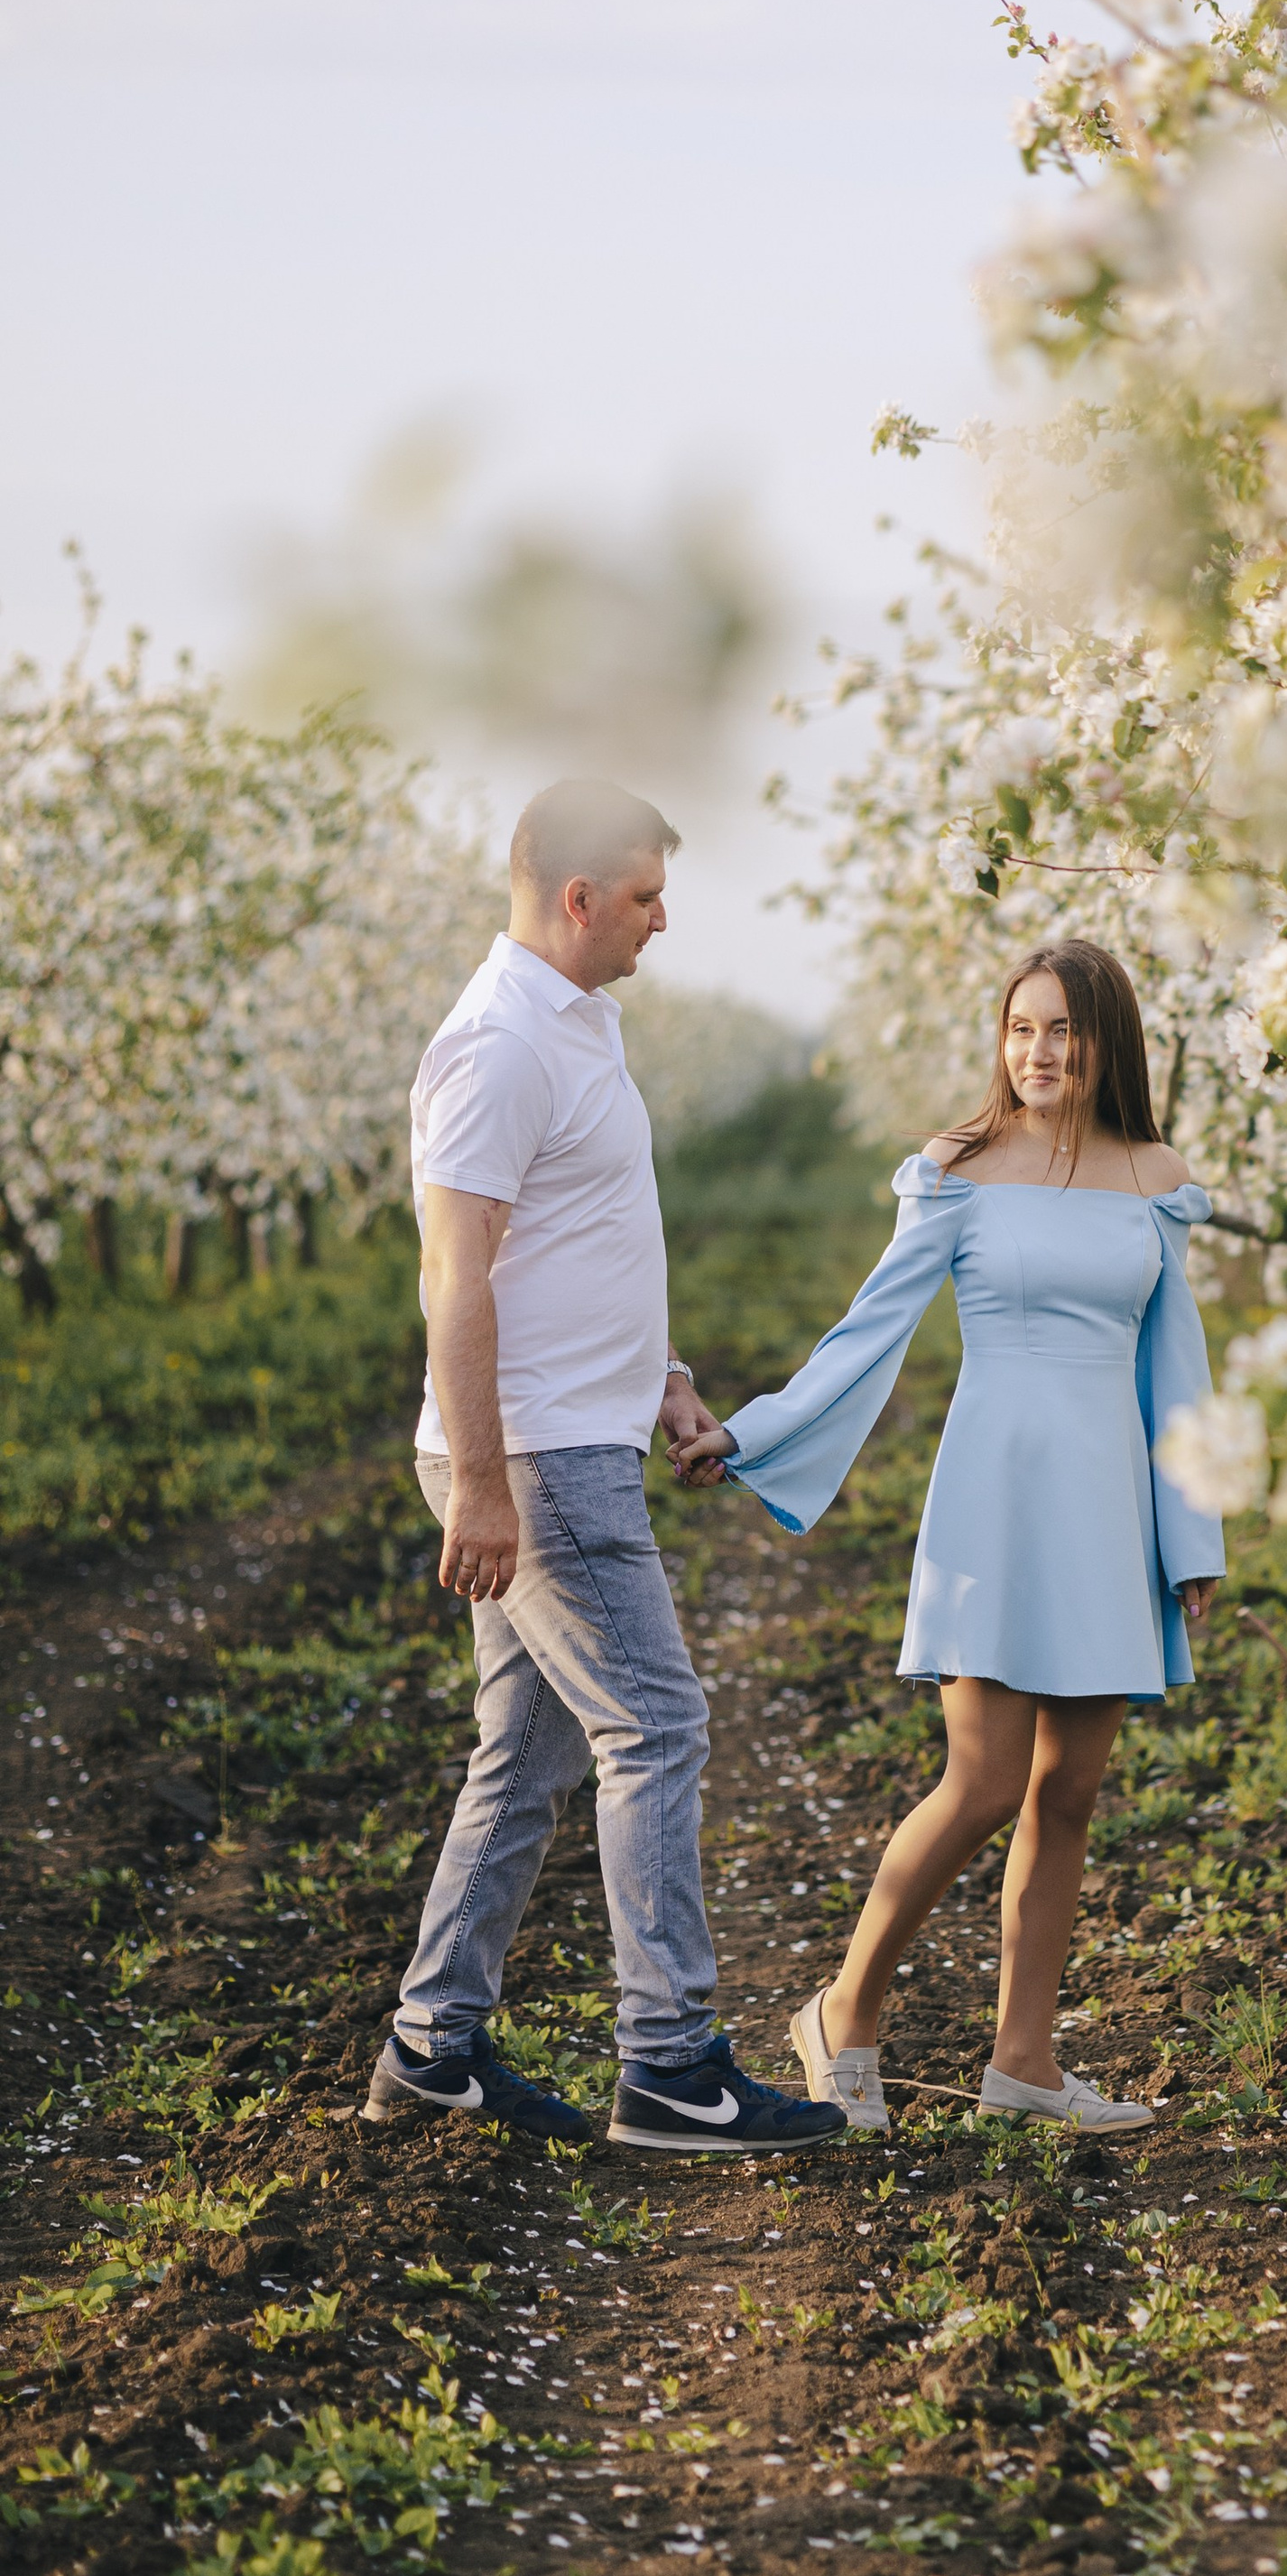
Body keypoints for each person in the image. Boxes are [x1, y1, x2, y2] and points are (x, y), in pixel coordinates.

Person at [362, 777, 847, 2162]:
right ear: (577, 898)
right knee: (658, 1723)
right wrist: (481, 1481)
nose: (663, 916)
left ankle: (431, 2046)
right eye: (643, 894)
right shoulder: (501, 1045)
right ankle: (672, 2064)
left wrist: (669, 1376)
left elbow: (582, 1250)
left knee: (525, 1755)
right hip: (538, 1457)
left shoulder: (581, 1027)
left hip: (578, 1431)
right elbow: (455, 1279)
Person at [672, 937, 1225, 2136]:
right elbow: (867, 1332)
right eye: (1021, 1028)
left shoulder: (1156, 1179)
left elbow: (1178, 1376)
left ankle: (1024, 2062)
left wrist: (1194, 1541)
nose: (1038, 1050)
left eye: (1063, 1030)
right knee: (980, 1781)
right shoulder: (960, 1171)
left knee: (1070, 1792)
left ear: (1105, 1043)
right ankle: (842, 2010)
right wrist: (751, 1432)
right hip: (995, 1496)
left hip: (1110, 1506)